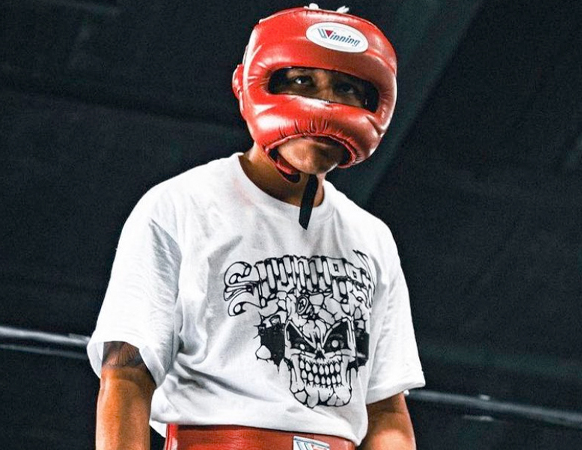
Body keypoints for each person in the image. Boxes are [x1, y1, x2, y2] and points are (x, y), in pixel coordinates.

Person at [87, 5, 425, 450]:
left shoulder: (372, 238)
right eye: (302, 81)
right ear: (254, 85)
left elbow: (385, 410)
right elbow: (126, 374)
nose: (324, 105)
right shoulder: (180, 205)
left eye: (346, 88)